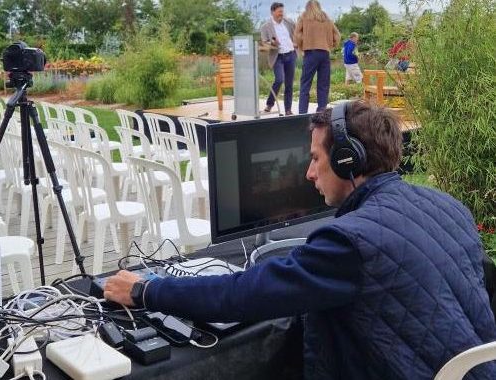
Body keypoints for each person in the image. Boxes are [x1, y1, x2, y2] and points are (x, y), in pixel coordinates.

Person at [104, 100, 496, 379]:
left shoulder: (350, 244)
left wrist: (146, 291)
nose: (309, 174)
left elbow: (242, 295)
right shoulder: (449, 207)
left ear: (348, 160)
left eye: (315, 159)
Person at [294, 0, 340, 114]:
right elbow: (337, 35)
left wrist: (302, 45)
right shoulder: (326, 18)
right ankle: (321, 112)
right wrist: (330, 45)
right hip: (325, 54)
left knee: (305, 84)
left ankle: (302, 113)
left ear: (307, 7)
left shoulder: (304, 16)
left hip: (311, 53)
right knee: (323, 85)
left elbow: (297, 34)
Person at [260, 2, 297, 116]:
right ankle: (270, 103)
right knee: (279, 79)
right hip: (277, 56)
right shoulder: (266, 26)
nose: (282, 14)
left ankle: (288, 110)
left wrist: (297, 43)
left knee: (289, 84)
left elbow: (296, 34)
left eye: (282, 11)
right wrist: (272, 42)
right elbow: (264, 41)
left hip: (290, 55)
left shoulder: (289, 22)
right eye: (279, 11)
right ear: (273, 12)